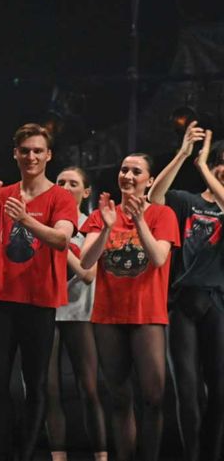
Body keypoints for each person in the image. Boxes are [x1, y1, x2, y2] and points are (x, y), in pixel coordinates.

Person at [0, 123, 77, 461]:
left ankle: (25, 455)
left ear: (49, 155)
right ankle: (4, 453)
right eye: (25, 151)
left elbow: (61, 239)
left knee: (36, 383)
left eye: (38, 151)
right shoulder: (2, 194)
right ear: (15, 154)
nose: (31, 157)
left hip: (40, 301)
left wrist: (26, 220)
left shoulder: (60, 197)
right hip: (0, 299)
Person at [79, 153, 180, 461]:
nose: (128, 176)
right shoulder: (103, 214)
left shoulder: (163, 214)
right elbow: (86, 261)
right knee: (120, 398)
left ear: (150, 180)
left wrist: (138, 220)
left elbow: (158, 257)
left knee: (153, 398)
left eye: (136, 171)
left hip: (147, 315)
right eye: (124, 170)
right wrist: (107, 227)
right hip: (108, 316)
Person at [148, 123, 224, 461]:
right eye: (221, 162)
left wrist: (204, 166)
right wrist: (183, 155)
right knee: (188, 391)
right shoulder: (186, 201)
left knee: (220, 391)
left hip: (218, 304)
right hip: (182, 304)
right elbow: (154, 197)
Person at [45, 167, 107, 461]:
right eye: (60, 182)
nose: (66, 187)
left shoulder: (91, 223)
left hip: (78, 312)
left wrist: (56, 241)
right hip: (46, 311)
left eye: (73, 183)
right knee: (49, 390)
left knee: (89, 388)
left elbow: (87, 273)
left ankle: (101, 455)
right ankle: (58, 456)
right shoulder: (42, 222)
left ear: (86, 191)